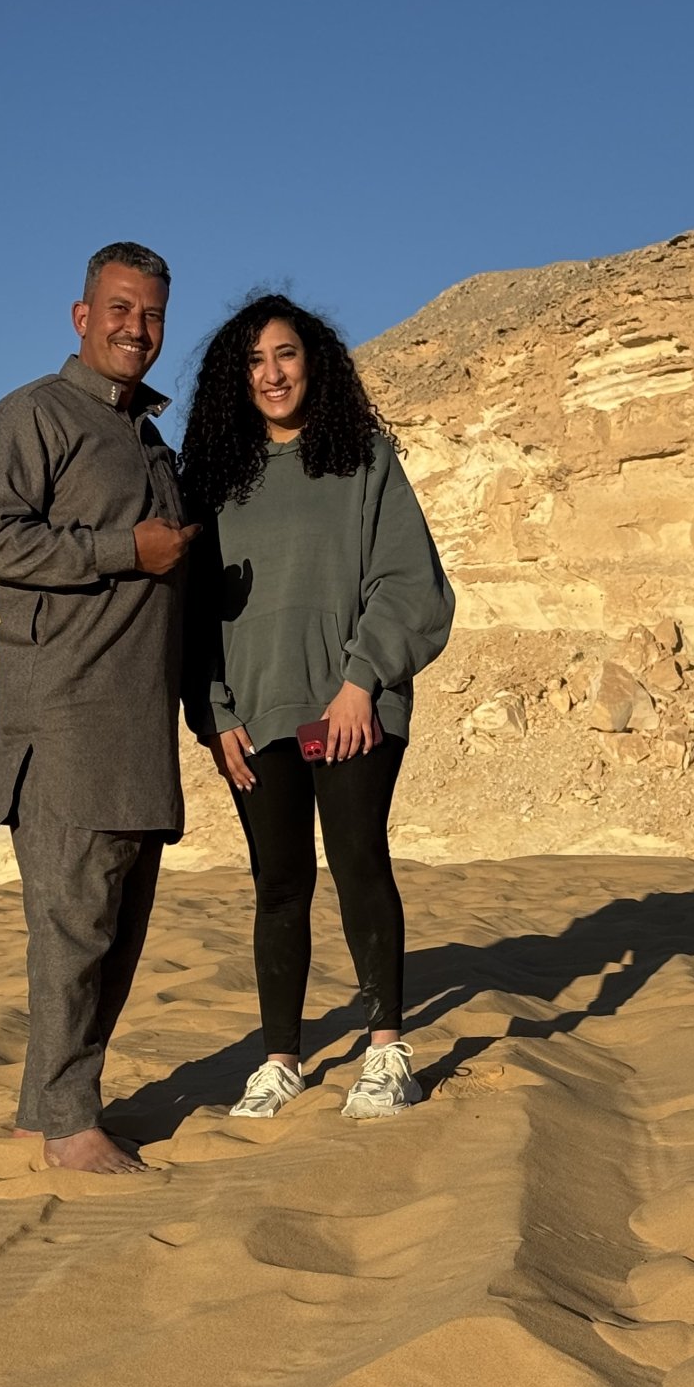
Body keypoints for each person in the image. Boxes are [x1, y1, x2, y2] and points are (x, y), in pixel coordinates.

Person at [181, 293, 454, 1120]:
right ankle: (280, 1061)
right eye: (254, 361)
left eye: (286, 354)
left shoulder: (362, 458)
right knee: (279, 882)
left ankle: (387, 1050)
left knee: (358, 857)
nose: (272, 374)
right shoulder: (214, 481)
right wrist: (214, 710)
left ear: (314, 361)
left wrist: (361, 681)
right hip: (256, 712)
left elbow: (411, 582)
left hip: (351, 707)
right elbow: (191, 613)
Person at [0, 242, 197, 1175]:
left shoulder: (152, 441)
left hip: (139, 726)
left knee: (114, 929)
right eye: (120, 308)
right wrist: (121, 550)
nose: (136, 328)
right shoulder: (33, 415)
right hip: (64, 718)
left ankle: (44, 1114)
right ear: (81, 315)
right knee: (73, 928)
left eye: (152, 314)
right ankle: (70, 1128)